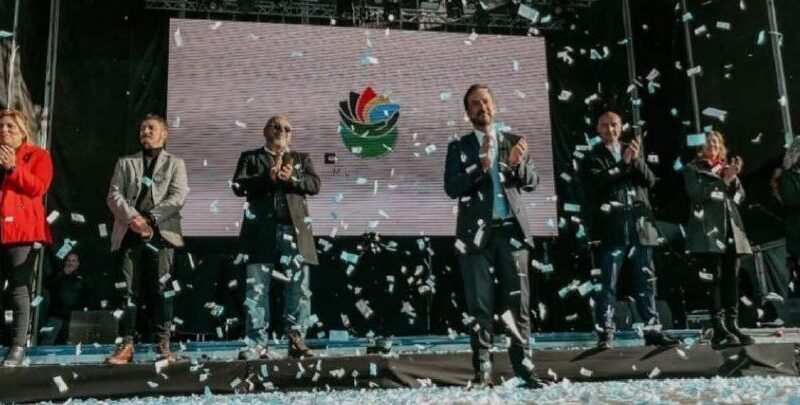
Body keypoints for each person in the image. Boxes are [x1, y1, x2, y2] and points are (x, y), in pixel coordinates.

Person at [444, 84, 542, 388]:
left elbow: (532, 182)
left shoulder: (514, 141)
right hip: (475, 239)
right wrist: (480, 167)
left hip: (511, 234)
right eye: (474, 104)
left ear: (494, 106)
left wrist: (516, 164)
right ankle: (482, 369)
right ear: (467, 112)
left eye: (485, 102)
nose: (481, 108)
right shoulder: (458, 147)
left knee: (518, 306)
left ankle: (523, 367)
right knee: (479, 305)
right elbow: (452, 188)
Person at [585, 112, 678, 349]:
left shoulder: (633, 150)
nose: (610, 129)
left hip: (640, 227)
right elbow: (596, 184)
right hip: (611, 230)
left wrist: (635, 161)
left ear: (621, 127)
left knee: (646, 282)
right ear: (598, 128)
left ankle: (652, 330)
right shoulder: (593, 156)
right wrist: (623, 164)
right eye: (605, 125)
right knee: (608, 284)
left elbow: (651, 182)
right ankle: (605, 331)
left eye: (614, 125)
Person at [232, 115, 319, 360]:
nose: (282, 131)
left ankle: (296, 340)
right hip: (260, 232)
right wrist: (266, 178)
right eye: (276, 126)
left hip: (295, 232)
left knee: (299, 289)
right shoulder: (250, 157)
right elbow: (238, 186)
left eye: (287, 128)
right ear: (265, 131)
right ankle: (257, 344)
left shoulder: (301, 158)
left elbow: (315, 185)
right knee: (257, 290)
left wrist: (292, 178)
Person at [105, 114, 189, 365]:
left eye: (151, 128)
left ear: (164, 135)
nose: (145, 131)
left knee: (163, 291)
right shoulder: (125, 163)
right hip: (129, 234)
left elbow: (177, 198)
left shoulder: (176, 163)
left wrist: (150, 219)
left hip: (162, 235)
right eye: (142, 128)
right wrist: (134, 219)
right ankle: (126, 345)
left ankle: (163, 345)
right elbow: (113, 196)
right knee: (127, 291)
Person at [684, 130, 754, 349]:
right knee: (714, 279)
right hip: (708, 232)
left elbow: (740, 198)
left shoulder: (726, 167)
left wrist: (732, 180)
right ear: (700, 147)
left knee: (731, 279)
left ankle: (733, 324)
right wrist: (722, 181)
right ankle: (718, 326)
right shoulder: (693, 168)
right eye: (708, 141)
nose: (712, 144)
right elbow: (696, 194)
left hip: (732, 230)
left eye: (716, 141)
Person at [0, 109, 53, 367]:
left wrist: (13, 167)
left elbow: (38, 187)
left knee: (19, 287)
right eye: (1, 126)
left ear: (23, 130)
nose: (4, 130)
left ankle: (18, 346)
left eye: (10, 126)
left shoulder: (38, 156)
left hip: (21, 232)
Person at [40, 252, 85, 345]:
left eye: (73, 261)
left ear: (78, 263)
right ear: (65, 262)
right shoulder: (58, 274)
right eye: (68, 260)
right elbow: (48, 285)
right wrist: (62, 274)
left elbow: (87, 295)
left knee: (72, 344)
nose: (71, 263)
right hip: (56, 316)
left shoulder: (83, 278)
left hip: (74, 318)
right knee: (47, 342)